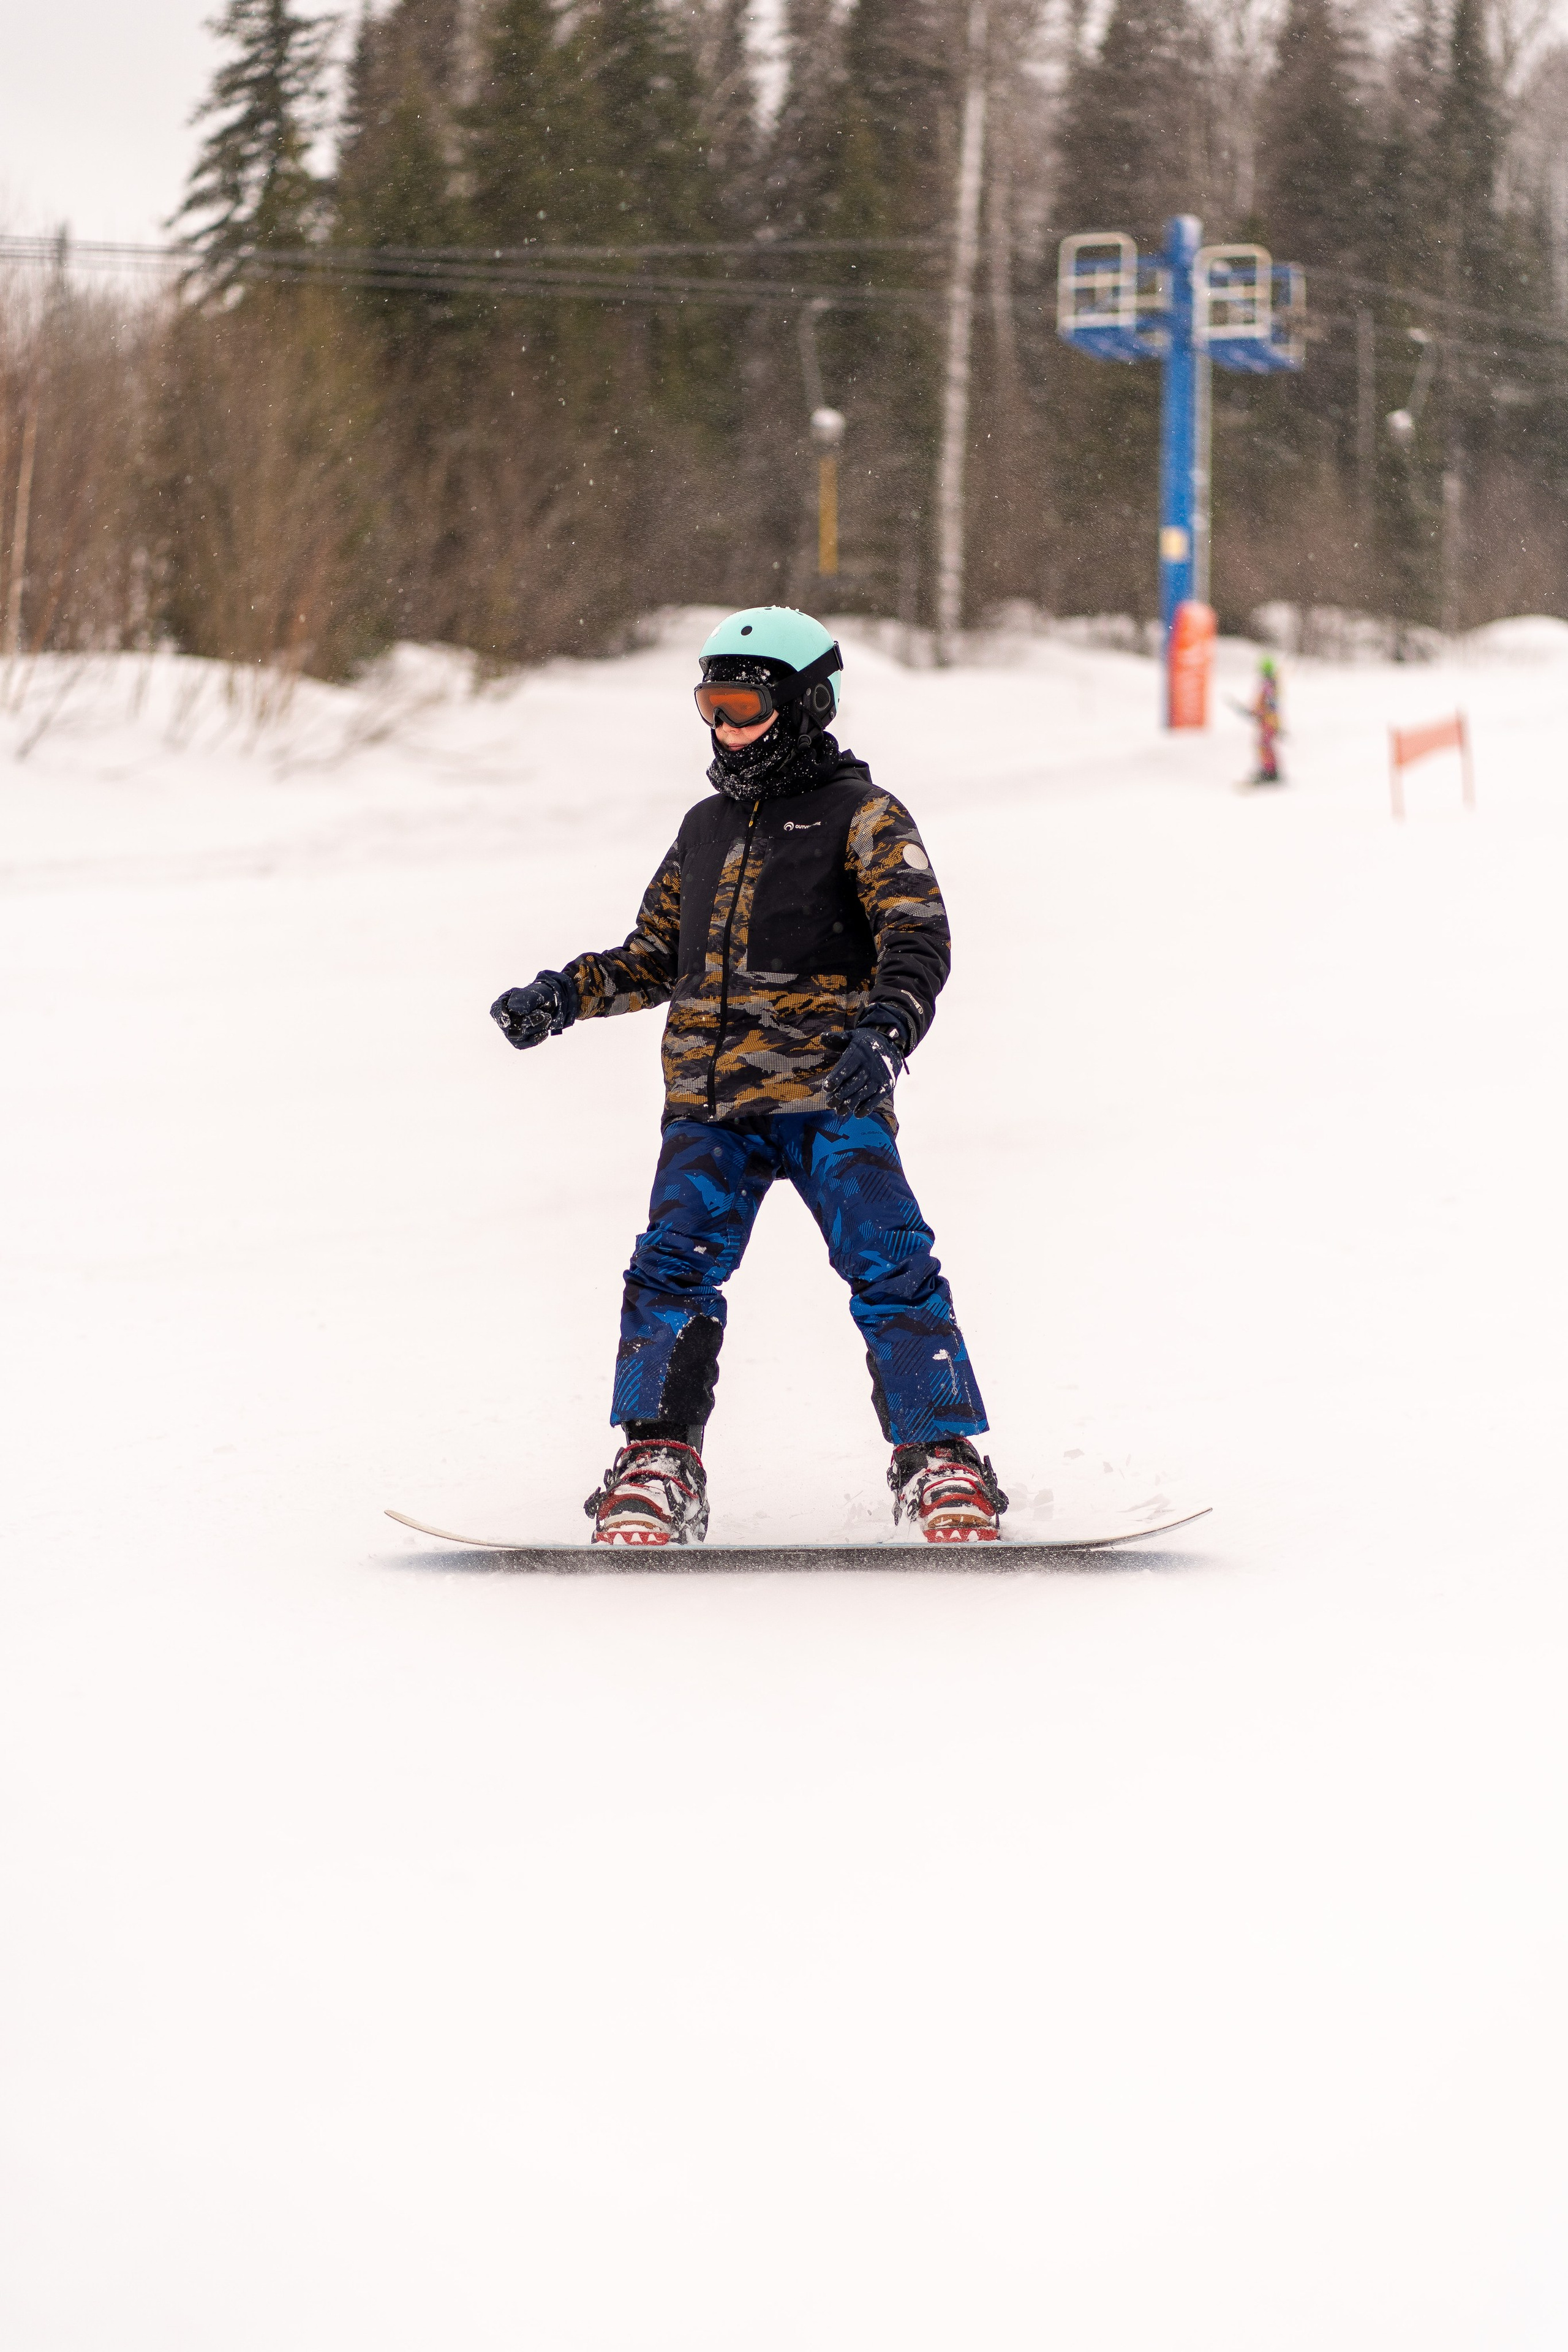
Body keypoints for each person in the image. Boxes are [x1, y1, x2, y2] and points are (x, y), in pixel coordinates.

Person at [489, 606, 1006, 1548]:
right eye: (709, 704)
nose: (724, 727)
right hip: (710, 1106)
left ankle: (942, 1458)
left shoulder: (864, 816)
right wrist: (567, 993)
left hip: (828, 1095)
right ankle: (659, 1459)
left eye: (742, 704)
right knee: (669, 1273)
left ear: (806, 705)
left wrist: (884, 1036)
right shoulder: (705, 828)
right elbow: (653, 956)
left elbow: (916, 939)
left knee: (891, 1264)